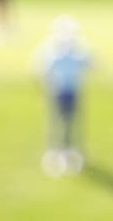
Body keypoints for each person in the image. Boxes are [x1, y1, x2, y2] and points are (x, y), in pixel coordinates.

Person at [35, 15, 93, 177]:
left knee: (71, 124)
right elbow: (42, 70)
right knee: (57, 124)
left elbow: (92, 63)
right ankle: (56, 152)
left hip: (72, 93)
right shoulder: (55, 52)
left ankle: (69, 152)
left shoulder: (75, 51)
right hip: (58, 93)